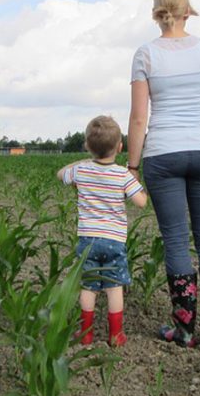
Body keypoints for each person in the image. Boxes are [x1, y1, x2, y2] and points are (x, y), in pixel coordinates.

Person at [126, 0, 200, 349]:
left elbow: (139, 119)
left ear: (158, 13)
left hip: (162, 153)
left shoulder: (146, 55)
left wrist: (133, 165)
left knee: (175, 241)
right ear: (188, 11)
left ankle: (186, 330)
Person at [58, 115, 148, 347]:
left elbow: (60, 175)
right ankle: (116, 334)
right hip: (114, 241)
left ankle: (85, 333)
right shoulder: (122, 174)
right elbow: (141, 202)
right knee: (114, 286)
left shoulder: (81, 171)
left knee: (88, 286)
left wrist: (81, 162)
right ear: (120, 147)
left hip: (87, 239)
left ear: (87, 146)